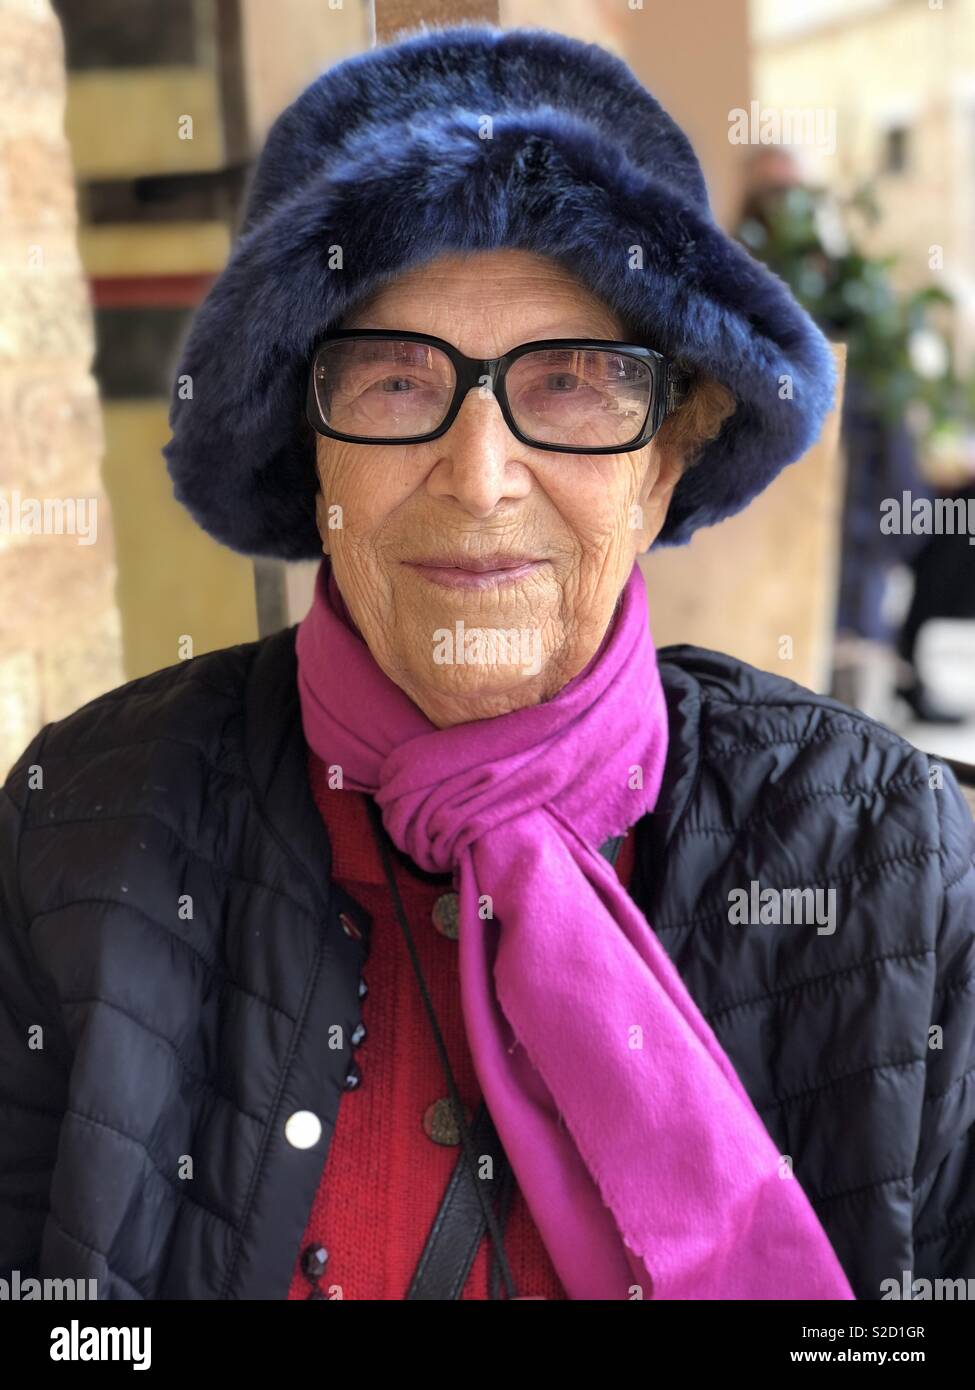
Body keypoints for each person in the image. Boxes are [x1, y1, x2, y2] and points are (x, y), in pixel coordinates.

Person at [2, 23, 973, 1302]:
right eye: (398, 382)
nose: (477, 478)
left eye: (571, 381)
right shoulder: (79, 826)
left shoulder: (888, 857)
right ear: (312, 450)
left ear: (667, 450)